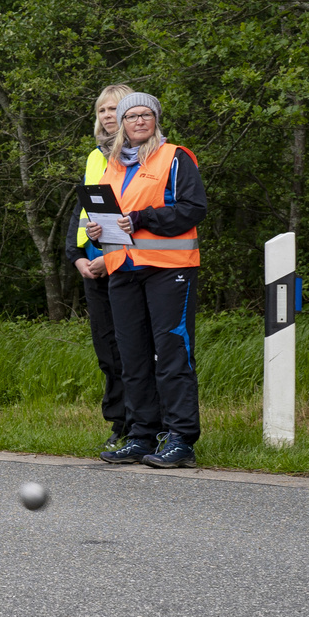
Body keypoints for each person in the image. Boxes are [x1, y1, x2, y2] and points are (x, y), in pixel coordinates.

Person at [96, 92, 207, 469]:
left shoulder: (175, 157)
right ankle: (142, 435)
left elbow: (193, 209)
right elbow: (115, 215)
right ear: (122, 124)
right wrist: (99, 232)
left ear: (156, 120)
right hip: (123, 268)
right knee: (133, 357)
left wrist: (143, 219)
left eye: (146, 115)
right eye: (132, 116)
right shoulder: (112, 164)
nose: (139, 121)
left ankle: (181, 440)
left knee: (171, 355)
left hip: (168, 268)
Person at [66, 84, 133, 449]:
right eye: (102, 110)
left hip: (126, 266)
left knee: (133, 351)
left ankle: (140, 424)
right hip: (92, 265)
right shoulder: (95, 156)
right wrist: (76, 258)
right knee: (107, 351)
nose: (108, 115)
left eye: (114, 108)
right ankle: (119, 422)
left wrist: (109, 260)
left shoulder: (139, 156)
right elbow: (83, 211)